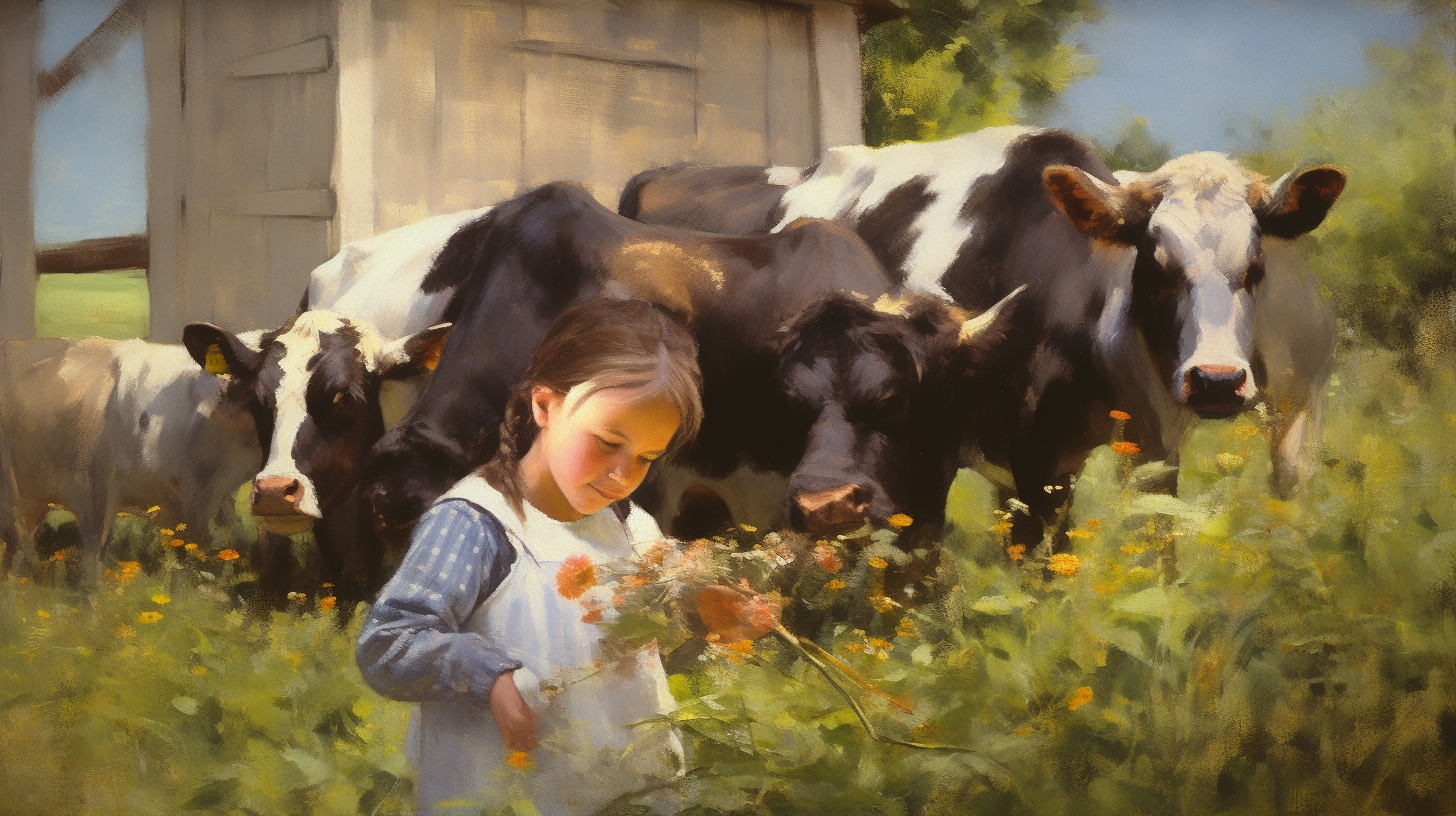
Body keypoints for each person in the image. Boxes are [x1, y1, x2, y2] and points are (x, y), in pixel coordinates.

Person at [355, 298, 703, 816]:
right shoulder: (476, 523)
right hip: (503, 791)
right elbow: (387, 644)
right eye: (607, 442)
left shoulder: (633, 528)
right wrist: (490, 676)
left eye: (647, 458)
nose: (623, 475)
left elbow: (655, 625)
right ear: (544, 406)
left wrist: (702, 605)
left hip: (623, 789)